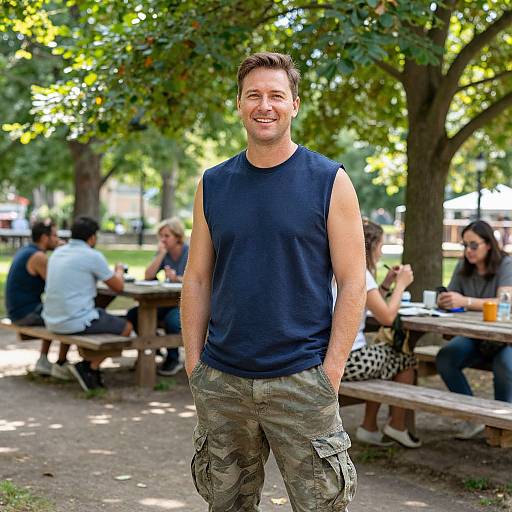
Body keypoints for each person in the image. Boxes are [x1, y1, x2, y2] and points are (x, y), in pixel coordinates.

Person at [181, 52, 366, 511]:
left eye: (276, 95)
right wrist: (193, 366)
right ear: (240, 105)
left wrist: (332, 371)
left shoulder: (329, 181)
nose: (266, 105)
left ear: (295, 104)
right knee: (226, 506)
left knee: (322, 506)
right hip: (223, 380)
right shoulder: (214, 183)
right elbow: (198, 277)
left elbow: (353, 281)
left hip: (302, 379)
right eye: (254, 95)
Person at [337, 219, 420, 448]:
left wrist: (385, 285)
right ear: (371, 246)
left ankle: (370, 426)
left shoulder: (338, 266)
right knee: (406, 359)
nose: (382, 252)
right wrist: (401, 285)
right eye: (381, 246)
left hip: (330, 357)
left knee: (382, 353)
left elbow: (367, 302)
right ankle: (397, 425)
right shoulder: (360, 270)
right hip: (351, 361)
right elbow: (387, 317)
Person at [436, 220, 512, 439]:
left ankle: (502, 426)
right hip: (473, 337)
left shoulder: (506, 264)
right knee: (446, 358)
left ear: (488, 244)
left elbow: (504, 302)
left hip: (504, 338)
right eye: (465, 245)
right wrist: (447, 301)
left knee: (505, 365)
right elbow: (454, 297)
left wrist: (465, 301)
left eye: (473, 245)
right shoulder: (463, 267)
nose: (468, 250)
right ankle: (474, 419)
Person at [42, 216, 133, 391]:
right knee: (127, 328)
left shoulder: (58, 252)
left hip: (51, 319)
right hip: (74, 320)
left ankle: (63, 361)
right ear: (92, 237)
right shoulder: (92, 256)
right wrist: (119, 271)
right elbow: (118, 287)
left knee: (93, 311)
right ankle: (89, 367)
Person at [5, 220, 71, 379]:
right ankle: (61, 363)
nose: (57, 239)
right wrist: (64, 253)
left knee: (54, 310)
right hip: (25, 313)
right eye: (54, 235)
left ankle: (44, 360)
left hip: (19, 309)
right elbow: (58, 286)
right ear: (44, 237)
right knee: (70, 315)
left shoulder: (28, 250)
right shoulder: (38, 257)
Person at [127, 217, 188, 376]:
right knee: (134, 314)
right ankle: (154, 348)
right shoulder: (164, 252)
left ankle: (173, 358)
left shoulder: (189, 252)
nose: (163, 239)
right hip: (165, 301)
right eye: (161, 236)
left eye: (167, 236)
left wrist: (177, 279)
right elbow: (148, 275)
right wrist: (160, 254)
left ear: (178, 237)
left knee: (172, 321)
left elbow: (201, 279)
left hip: (185, 304)